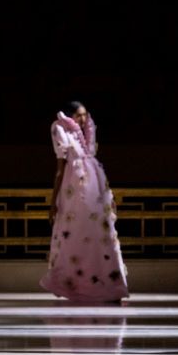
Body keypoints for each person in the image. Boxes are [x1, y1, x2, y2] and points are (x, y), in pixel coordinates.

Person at [40, 102, 129, 302]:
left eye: (84, 115)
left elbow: (95, 163)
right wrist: (54, 200)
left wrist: (109, 194)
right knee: (76, 235)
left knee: (102, 235)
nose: (82, 119)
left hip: (95, 189)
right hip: (74, 192)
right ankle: (76, 284)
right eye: (78, 115)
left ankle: (109, 284)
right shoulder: (61, 129)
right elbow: (60, 168)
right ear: (70, 116)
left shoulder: (89, 132)